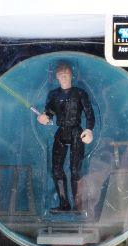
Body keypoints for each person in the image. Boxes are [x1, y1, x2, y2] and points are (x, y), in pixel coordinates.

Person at [37, 62, 94, 213]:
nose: (63, 77)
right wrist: (44, 118)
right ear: (56, 76)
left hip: (76, 132)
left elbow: (89, 113)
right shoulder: (53, 95)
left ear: (71, 75)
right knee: (56, 168)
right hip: (61, 132)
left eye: (66, 74)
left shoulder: (80, 93)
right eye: (61, 75)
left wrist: (89, 129)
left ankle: (79, 205)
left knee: (75, 169)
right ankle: (64, 204)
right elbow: (49, 113)